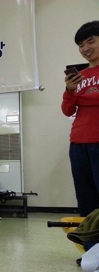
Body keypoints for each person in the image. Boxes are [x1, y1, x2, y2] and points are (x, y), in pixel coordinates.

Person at [62, 20, 99, 217]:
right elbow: (67, 110)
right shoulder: (80, 76)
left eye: (90, 42)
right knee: (86, 200)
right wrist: (69, 91)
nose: (85, 49)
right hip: (78, 143)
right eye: (81, 45)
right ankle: (91, 246)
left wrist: (80, 97)